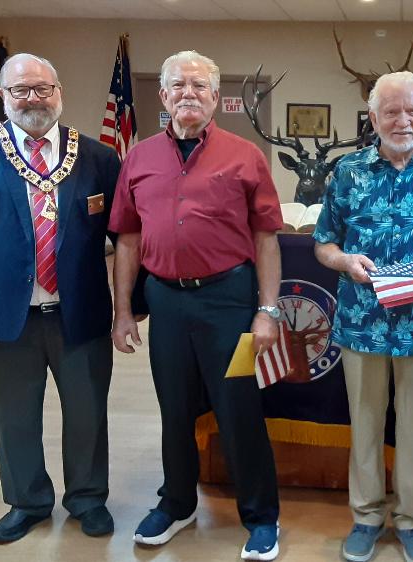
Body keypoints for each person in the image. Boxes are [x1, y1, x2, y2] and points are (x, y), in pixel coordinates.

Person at [0, 53, 120, 543]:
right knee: (14, 417)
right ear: (3, 95)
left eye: (42, 88)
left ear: (59, 91)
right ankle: (28, 500)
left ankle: (87, 498)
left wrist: (130, 306)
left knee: (87, 413)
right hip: (3, 315)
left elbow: (128, 235)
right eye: (21, 90)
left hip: (81, 314)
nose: (33, 99)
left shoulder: (98, 157)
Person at [108, 50, 282, 560]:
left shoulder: (245, 155)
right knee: (174, 408)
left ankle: (261, 515)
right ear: (163, 96)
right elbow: (127, 239)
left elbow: (267, 237)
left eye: (200, 86)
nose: (189, 93)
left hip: (230, 299)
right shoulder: (137, 158)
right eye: (178, 85)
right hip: (166, 301)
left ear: (215, 97)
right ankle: (178, 502)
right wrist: (122, 311)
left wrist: (267, 310)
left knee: (240, 410)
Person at [313, 71, 413, 562]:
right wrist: (345, 261)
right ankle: (365, 516)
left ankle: (410, 519)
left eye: (412, 112)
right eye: (391, 111)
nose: (402, 121)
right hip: (362, 322)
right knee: (364, 423)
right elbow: (324, 243)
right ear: (373, 117)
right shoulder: (347, 172)